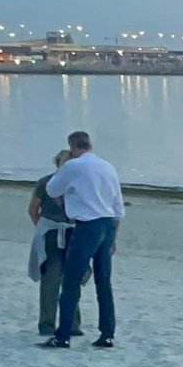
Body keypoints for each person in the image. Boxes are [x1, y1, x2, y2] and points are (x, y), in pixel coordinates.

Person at [40, 130, 124, 349]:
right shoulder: (108, 166)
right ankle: (107, 333)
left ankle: (63, 335)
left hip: (87, 225)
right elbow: (118, 206)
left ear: (72, 147)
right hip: (107, 223)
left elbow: (52, 189)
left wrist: (63, 168)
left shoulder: (74, 166)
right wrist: (114, 236)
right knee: (103, 280)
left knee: (71, 280)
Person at [28, 149, 83, 343]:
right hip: (51, 233)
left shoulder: (79, 183)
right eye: (64, 162)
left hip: (72, 233)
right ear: (57, 163)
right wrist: (42, 227)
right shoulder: (45, 182)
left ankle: (73, 324)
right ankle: (46, 324)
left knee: (73, 279)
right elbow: (33, 209)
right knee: (50, 280)